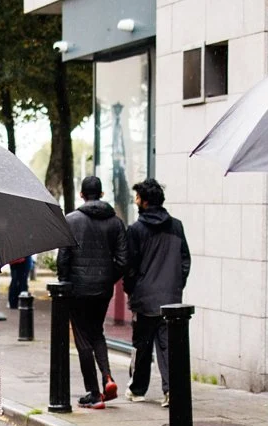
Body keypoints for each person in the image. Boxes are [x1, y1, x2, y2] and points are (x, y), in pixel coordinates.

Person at [56, 175, 127, 409]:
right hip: (102, 290)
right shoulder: (116, 223)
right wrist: (107, 278)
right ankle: (107, 376)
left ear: (82, 195)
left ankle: (94, 393)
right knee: (97, 333)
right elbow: (123, 260)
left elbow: (63, 258)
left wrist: (64, 284)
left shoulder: (71, 220)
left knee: (83, 339)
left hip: (77, 290)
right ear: (102, 194)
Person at [123, 178, 190, 406]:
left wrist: (130, 290)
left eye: (137, 197)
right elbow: (185, 261)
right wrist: (176, 286)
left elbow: (129, 265)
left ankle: (138, 389)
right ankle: (171, 391)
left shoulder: (135, 230)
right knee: (168, 347)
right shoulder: (177, 226)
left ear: (144, 201)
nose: (135, 200)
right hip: (171, 298)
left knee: (142, 346)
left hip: (144, 298)